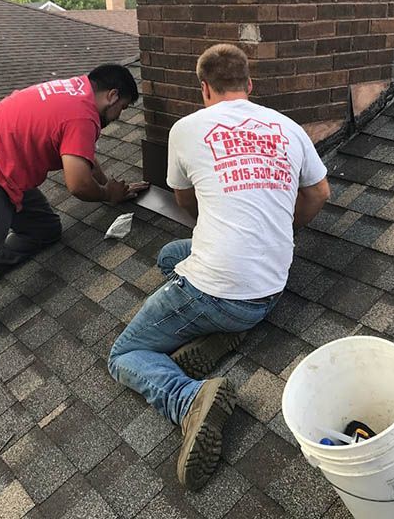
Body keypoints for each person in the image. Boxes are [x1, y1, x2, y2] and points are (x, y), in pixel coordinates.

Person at [108, 44, 330, 490]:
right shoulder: (289, 127)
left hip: (219, 291)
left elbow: (185, 201)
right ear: (249, 85)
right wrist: (281, 230)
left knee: (124, 355)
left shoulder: (187, 129)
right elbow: (319, 194)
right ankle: (218, 330)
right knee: (171, 255)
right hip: (270, 285)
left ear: (204, 88)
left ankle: (189, 398)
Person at [0, 65, 148, 387]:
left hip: (3, 166)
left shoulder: (75, 92)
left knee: (44, 229)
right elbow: (77, 184)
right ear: (113, 95)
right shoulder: (82, 114)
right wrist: (106, 194)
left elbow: (81, 155)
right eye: (122, 108)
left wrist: (111, 187)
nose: (119, 116)